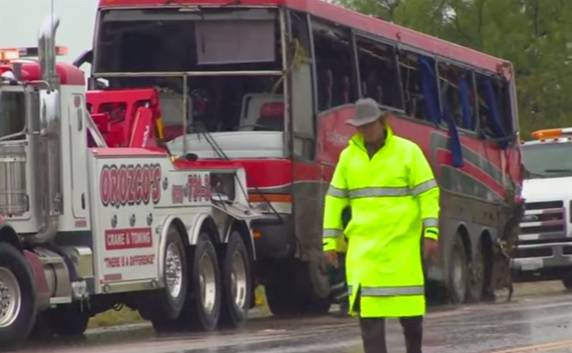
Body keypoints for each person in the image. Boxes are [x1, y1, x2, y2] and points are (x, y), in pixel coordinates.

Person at [322, 98, 440, 353]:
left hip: (401, 251)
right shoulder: (348, 157)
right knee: (370, 323)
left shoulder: (407, 152)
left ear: (382, 122)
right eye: (361, 126)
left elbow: (428, 193)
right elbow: (334, 199)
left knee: (411, 319)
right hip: (365, 254)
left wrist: (431, 232)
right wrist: (329, 241)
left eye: (370, 125)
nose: (366, 131)